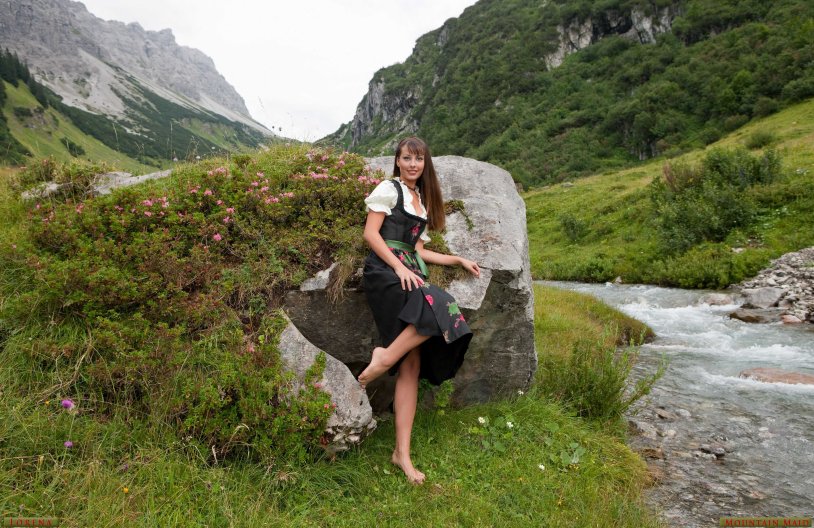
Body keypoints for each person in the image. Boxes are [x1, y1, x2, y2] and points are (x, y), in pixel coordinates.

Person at [358, 136, 480, 484]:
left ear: (425, 164)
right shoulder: (389, 190)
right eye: (407, 158)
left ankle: (402, 454)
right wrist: (398, 267)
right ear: (397, 161)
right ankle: (383, 359)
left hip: (410, 271)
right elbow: (371, 234)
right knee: (439, 303)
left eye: (419, 159)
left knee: (412, 364)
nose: (413, 164)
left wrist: (457, 259)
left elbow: (420, 251)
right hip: (385, 273)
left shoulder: (421, 201)